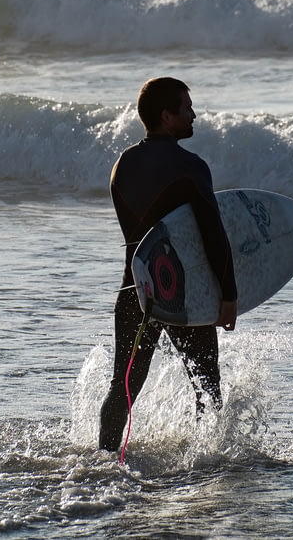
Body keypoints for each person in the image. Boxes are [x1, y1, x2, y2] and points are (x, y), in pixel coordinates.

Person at [99, 77, 238, 453]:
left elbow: (139, 235)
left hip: (135, 289)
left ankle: (105, 462)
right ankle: (207, 465)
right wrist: (228, 295)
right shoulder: (190, 166)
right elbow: (212, 234)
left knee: (123, 388)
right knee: (207, 386)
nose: (193, 115)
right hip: (185, 293)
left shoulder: (122, 165)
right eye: (186, 108)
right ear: (166, 115)